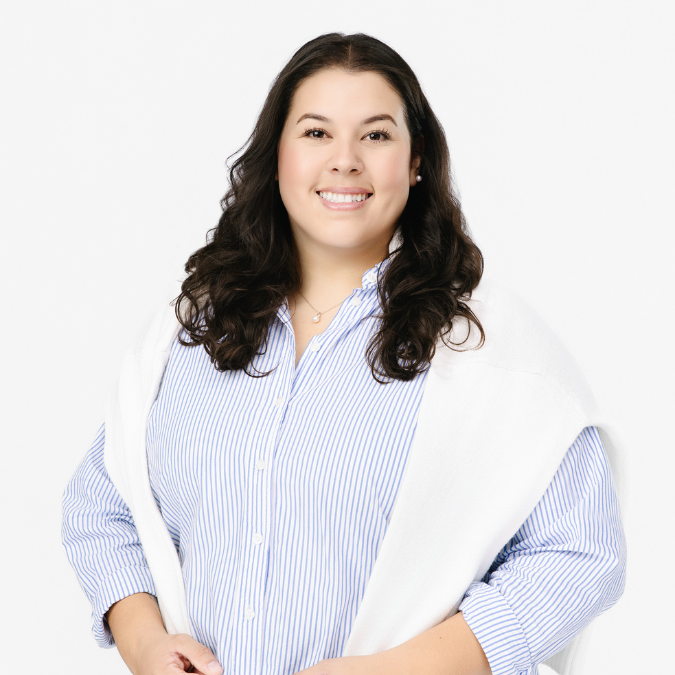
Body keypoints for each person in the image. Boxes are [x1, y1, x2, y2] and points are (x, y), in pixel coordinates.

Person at [62, 32, 626, 675]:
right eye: (316, 133)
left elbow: (579, 554)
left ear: (416, 161)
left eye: (376, 135)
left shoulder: (490, 348)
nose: (345, 161)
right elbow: (103, 504)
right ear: (277, 156)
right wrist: (143, 642)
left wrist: (392, 673)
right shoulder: (191, 329)